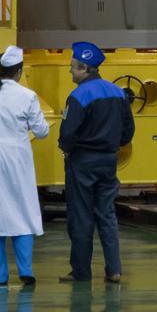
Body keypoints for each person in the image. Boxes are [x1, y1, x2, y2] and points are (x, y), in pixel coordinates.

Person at [0, 45, 50, 289]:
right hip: (17, 157)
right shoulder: (28, 96)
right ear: (19, 71)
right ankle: (25, 270)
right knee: (22, 210)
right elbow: (42, 132)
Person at [58, 41, 135, 285]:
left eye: (73, 67)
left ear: (84, 69)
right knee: (107, 214)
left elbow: (67, 134)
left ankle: (81, 272)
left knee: (81, 217)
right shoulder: (118, 92)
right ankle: (114, 269)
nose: (70, 71)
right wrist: (112, 145)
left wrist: (68, 150)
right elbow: (128, 130)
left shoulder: (79, 96)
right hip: (108, 161)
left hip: (82, 162)